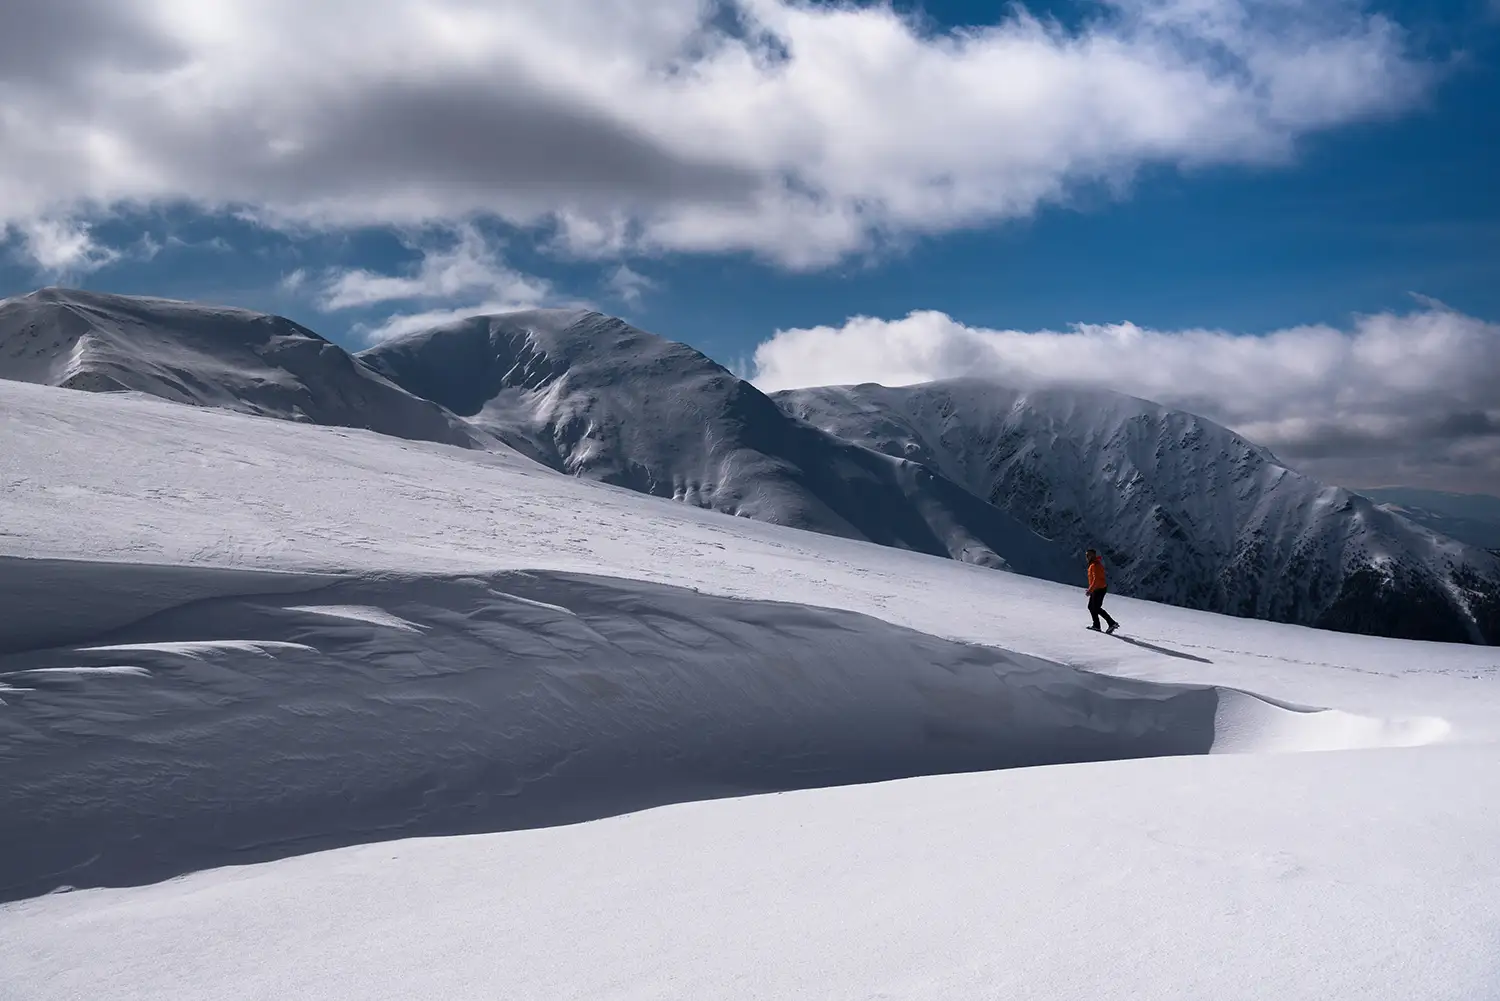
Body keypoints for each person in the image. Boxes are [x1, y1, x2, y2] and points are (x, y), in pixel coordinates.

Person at [1085, 548, 1119, 633]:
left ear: (1093, 555)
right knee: (1092, 607)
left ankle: (1110, 623)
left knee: (1095, 608)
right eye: (1086, 555)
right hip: (1098, 588)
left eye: (1088, 555)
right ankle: (1099, 625)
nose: (1087, 556)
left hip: (1099, 589)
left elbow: (1096, 579)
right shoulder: (1093, 564)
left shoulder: (1095, 565)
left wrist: (1090, 590)